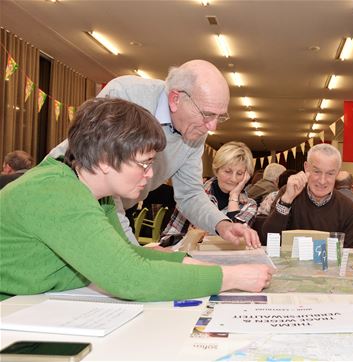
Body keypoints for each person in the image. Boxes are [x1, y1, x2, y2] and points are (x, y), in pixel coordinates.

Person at [0, 98, 273, 302]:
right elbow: (129, 277)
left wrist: (207, 266)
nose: (151, 174)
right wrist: (230, 277)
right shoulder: (57, 193)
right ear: (105, 159)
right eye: (144, 164)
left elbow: (129, 254)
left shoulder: (99, 197)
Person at [50, 60, 259, 248]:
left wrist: (222, 224)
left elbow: (190, 193)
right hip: (67, 195)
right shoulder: (127, 94)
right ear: (176, 99)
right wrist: (134, 254)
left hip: (118, 208)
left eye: (219, 117)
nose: (212, 126)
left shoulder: (195, 130)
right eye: (207, 114)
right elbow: (105, 182)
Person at [262, 144, 353, 247]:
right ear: (306, 168)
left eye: (330, 174)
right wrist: (287, 199)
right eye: (316, 171)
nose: (322, 180)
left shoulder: (348, 208)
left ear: (337, 173)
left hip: (329, 263)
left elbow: (347, 252)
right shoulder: (288, 192)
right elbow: (268, 238)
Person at [161, 141, 257, 244]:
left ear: (246, 176)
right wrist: (190, 237)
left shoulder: (249, 205)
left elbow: (235, 241)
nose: (233, 179)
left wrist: (233, 197)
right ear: (216, 170)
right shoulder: (193, 196)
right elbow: (168, 237)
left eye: (239, 173)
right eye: (228, 171)